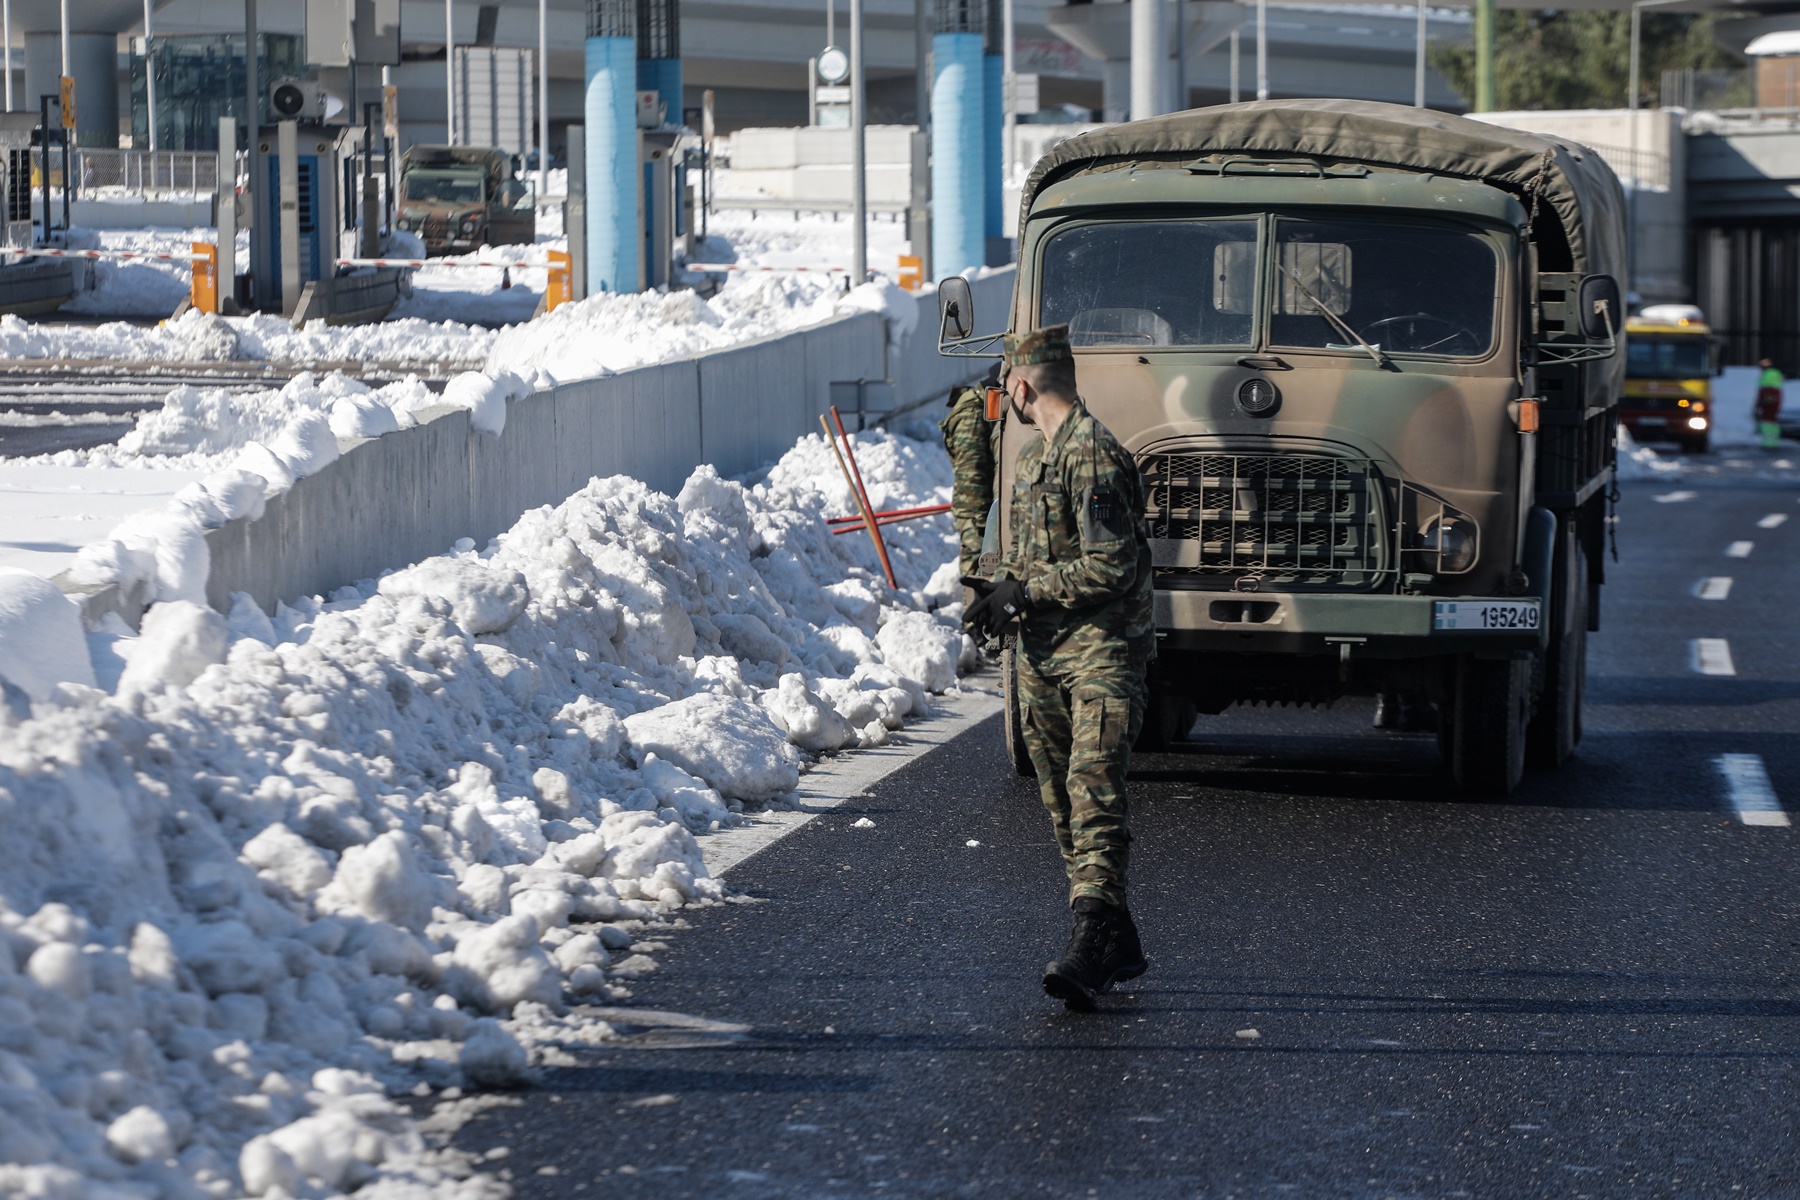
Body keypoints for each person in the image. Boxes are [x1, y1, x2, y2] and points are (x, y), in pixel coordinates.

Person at [965, 324, 1156, 1012]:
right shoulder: (1033, 460)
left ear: (1021, 385)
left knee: (1093, 789)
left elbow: (1113, 565)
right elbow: (1029, 560)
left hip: (1102, 651)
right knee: (1062, 806)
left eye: (1004, 387)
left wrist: (1030, 591)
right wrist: (997, 595)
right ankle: (1117, 934)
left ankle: (1094, 936)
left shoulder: (1096, 455)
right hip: (1043, 655)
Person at [940, 360, 1001, 581]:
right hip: (976, 514)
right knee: (978, 576)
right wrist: (982, 526)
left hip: (981, 510)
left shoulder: (981, 405)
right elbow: (972, 477)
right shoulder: (972, 414)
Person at [1756, 358, 1783, 451]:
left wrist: (1761, 403)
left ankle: (1768, 443)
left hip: (1769, 398)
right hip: (1775, 398)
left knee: (1767, 422)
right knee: (1773, 422)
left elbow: (1765, 391)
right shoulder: (1776, 373)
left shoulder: (1766, 375)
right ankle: (1773, 442)